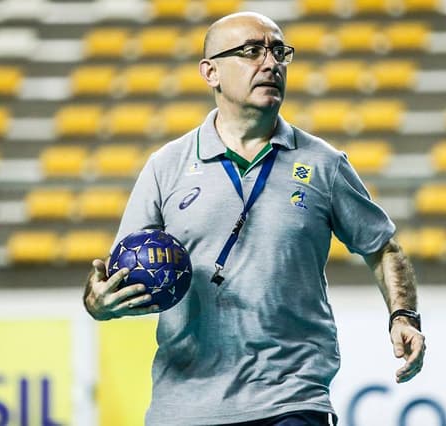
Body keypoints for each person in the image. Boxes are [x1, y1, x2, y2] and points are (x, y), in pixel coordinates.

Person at [83, 11, 425, 426]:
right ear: (210, 72)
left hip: (291, 398)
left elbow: (383, 246)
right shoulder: (166, 167)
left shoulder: (324, 164)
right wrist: (99, 304)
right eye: (251, 51)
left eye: (279, 52)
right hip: (185, 404)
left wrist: (403, 316)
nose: (270, 63)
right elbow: (122, 272)